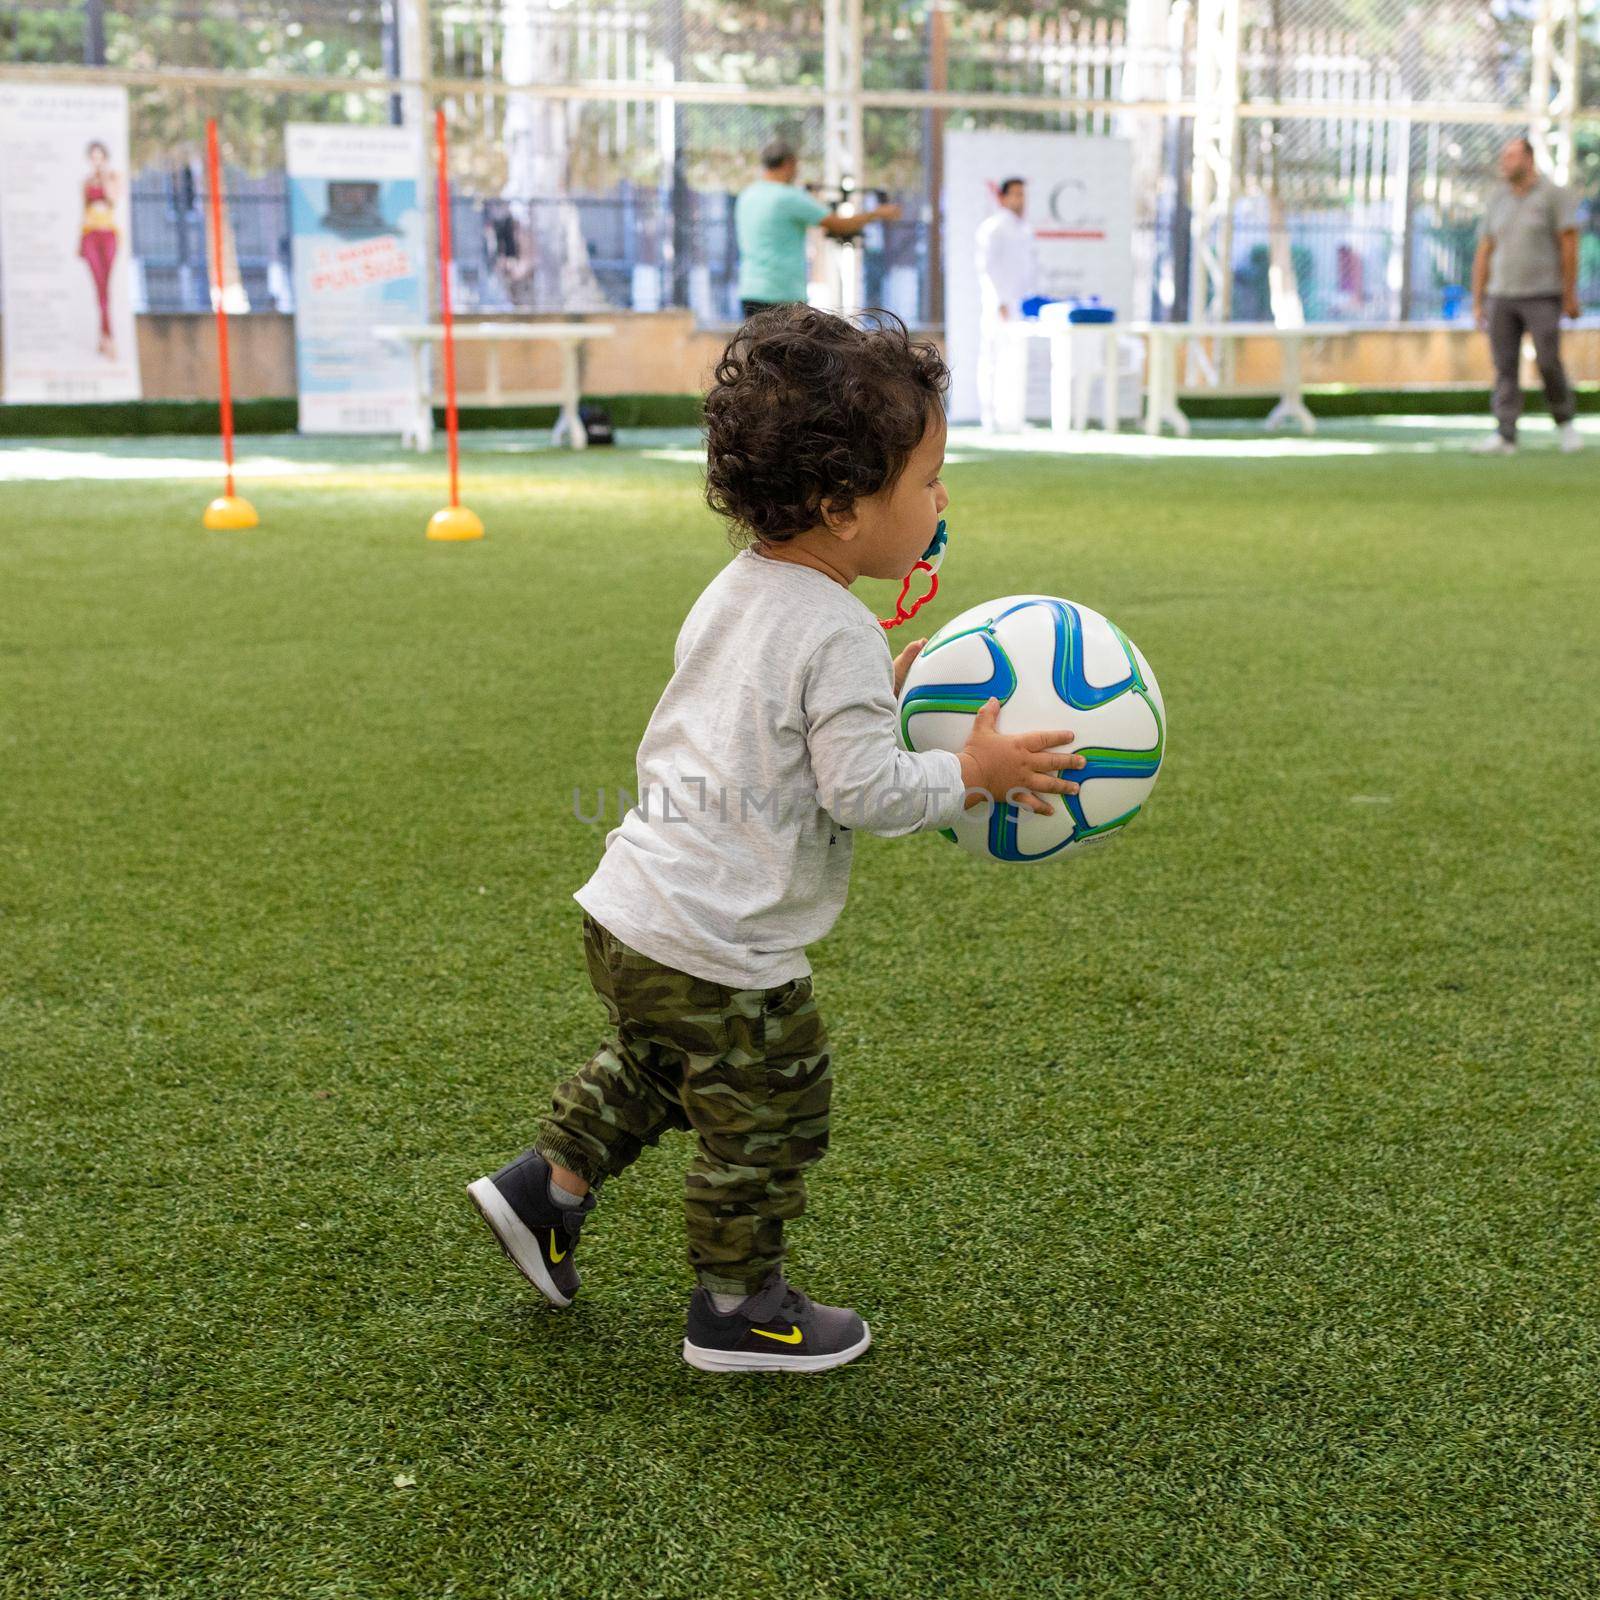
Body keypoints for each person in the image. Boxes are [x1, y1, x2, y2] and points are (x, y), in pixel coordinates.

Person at [467, 307, 1086, 1373]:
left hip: (632, 913)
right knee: (772, 1107)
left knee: (661, 1068)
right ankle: (735, 1308)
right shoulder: (836, 625)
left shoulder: (743, 587)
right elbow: (864, 792)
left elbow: (770, 718)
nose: (943, 501)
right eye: (930, 479)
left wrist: (874, 690)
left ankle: (545, 1188)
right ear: (845, 506)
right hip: (721, 942)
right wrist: (970, 773)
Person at [1471, 136, 1583, 455]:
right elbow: (1484, 249)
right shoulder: (1497, 199)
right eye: (1503, 156)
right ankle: (1506, 434)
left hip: (1543, 294)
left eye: (1511, 156)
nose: (1504, 162)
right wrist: (1478, 300)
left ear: (1529, 159)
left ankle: (1565, 424)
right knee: (1504, 365)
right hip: (1501, 295)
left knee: (1548, 361)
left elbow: (1569, 245)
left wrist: (1569, 294)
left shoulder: (1553, 196)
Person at [733, 142, 902, 319]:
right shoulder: (789, 197)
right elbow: (841, 225)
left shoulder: (747, 195)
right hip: (782, 294)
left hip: (750, 291)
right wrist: (876, 213)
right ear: (789, 163)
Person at [974, 177, 1038, 432]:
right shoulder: (993, 228)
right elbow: (986, 267)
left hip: (1021, 305)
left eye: (1023, 194)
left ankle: (1013, 418)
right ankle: (989, 417)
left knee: (1016, 360)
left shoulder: (1024, 229)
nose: (1020, 200)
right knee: (992, 358)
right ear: (1002, 197)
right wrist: (999, 299)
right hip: (997, 305)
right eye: (1015, 194)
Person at [80, 140, 120, 361]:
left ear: (104, 158)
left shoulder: (112, 178)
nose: (96, 161)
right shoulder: (86, 182)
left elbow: (113, 199)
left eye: (100, 157)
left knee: (106, 287)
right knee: (99, 287)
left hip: (108, 235)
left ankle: (105, 338)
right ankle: (107, 338)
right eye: (93, 157)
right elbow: (83, 210)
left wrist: (104, 177)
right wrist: (80, 242)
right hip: (90, 236)